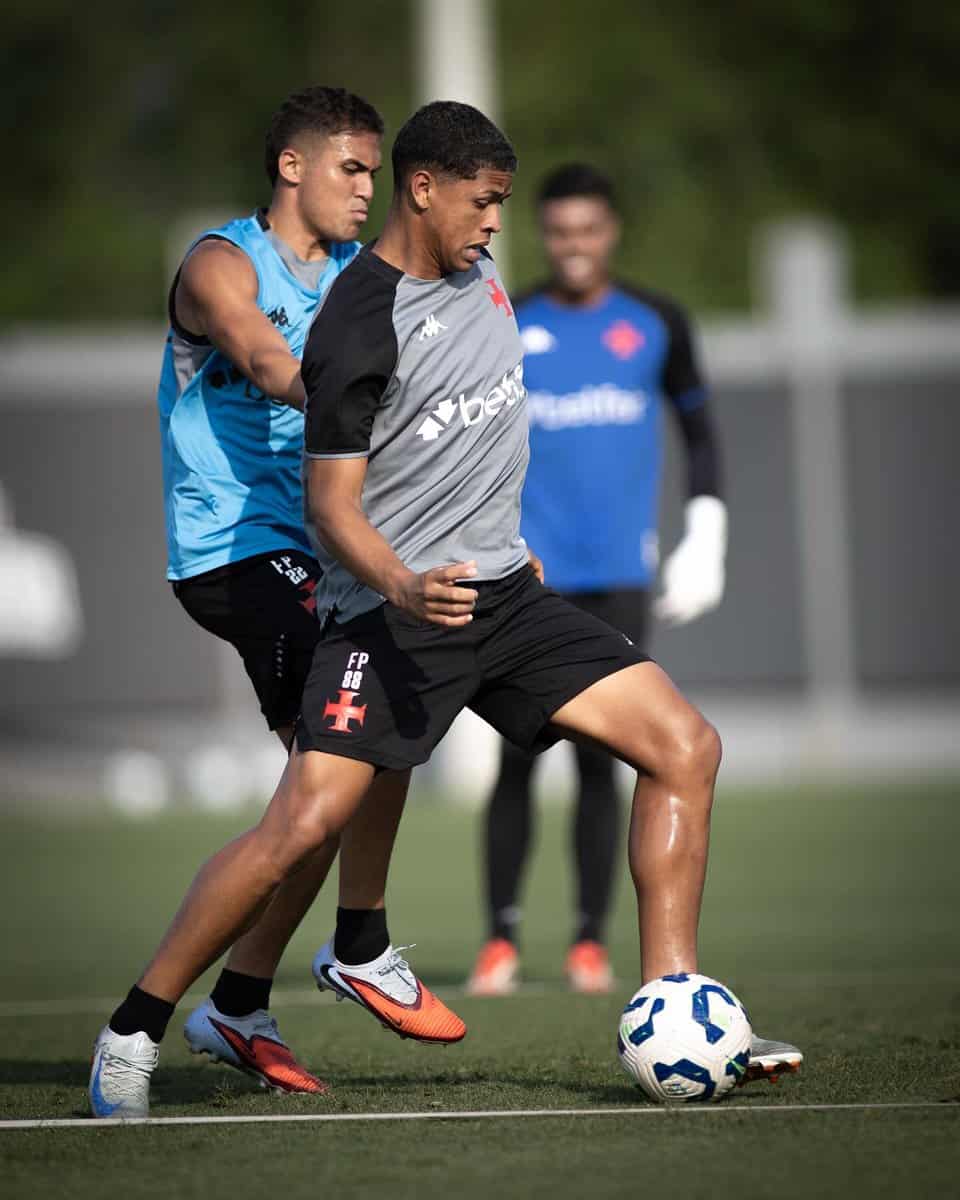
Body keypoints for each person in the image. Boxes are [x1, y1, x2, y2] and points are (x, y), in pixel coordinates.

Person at [90, 100, 800, 1118]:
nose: (497, 222)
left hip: (505, 595)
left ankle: (676, 1004)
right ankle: (140, 1024)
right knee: (302, 823)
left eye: (503, 203)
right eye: (485, 201)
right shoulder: (353, 322)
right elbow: (333, 507)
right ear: (425, 191)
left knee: (685, 745)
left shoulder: (480, 279)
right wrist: (403, 582)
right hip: (389, 614)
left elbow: (475, 430)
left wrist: (501, 536)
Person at [90, 87, 463, 1116]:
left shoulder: (360, 276)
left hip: (325, 551)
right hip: (238, 553)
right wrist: (367, 394)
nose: (366, 189)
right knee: (345, 755)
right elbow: (266, 358)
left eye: (373, 172)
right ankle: (146, 1026)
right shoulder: (222, 263)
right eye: (351, 168)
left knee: (336, 778)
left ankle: (245, 1000)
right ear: (293, 168)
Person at [466, 164, 726, 997]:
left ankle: (588, 942)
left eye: (590, 229)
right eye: (560, 231)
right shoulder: (511, 322)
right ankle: (500, 940)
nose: (575, 245)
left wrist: (706, 534)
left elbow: (702, 435)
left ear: (612, 230)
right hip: (524, 577)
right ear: (544, 234)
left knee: (604, 763)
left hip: (618, 575)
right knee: (514, 759)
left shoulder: (657, 322)